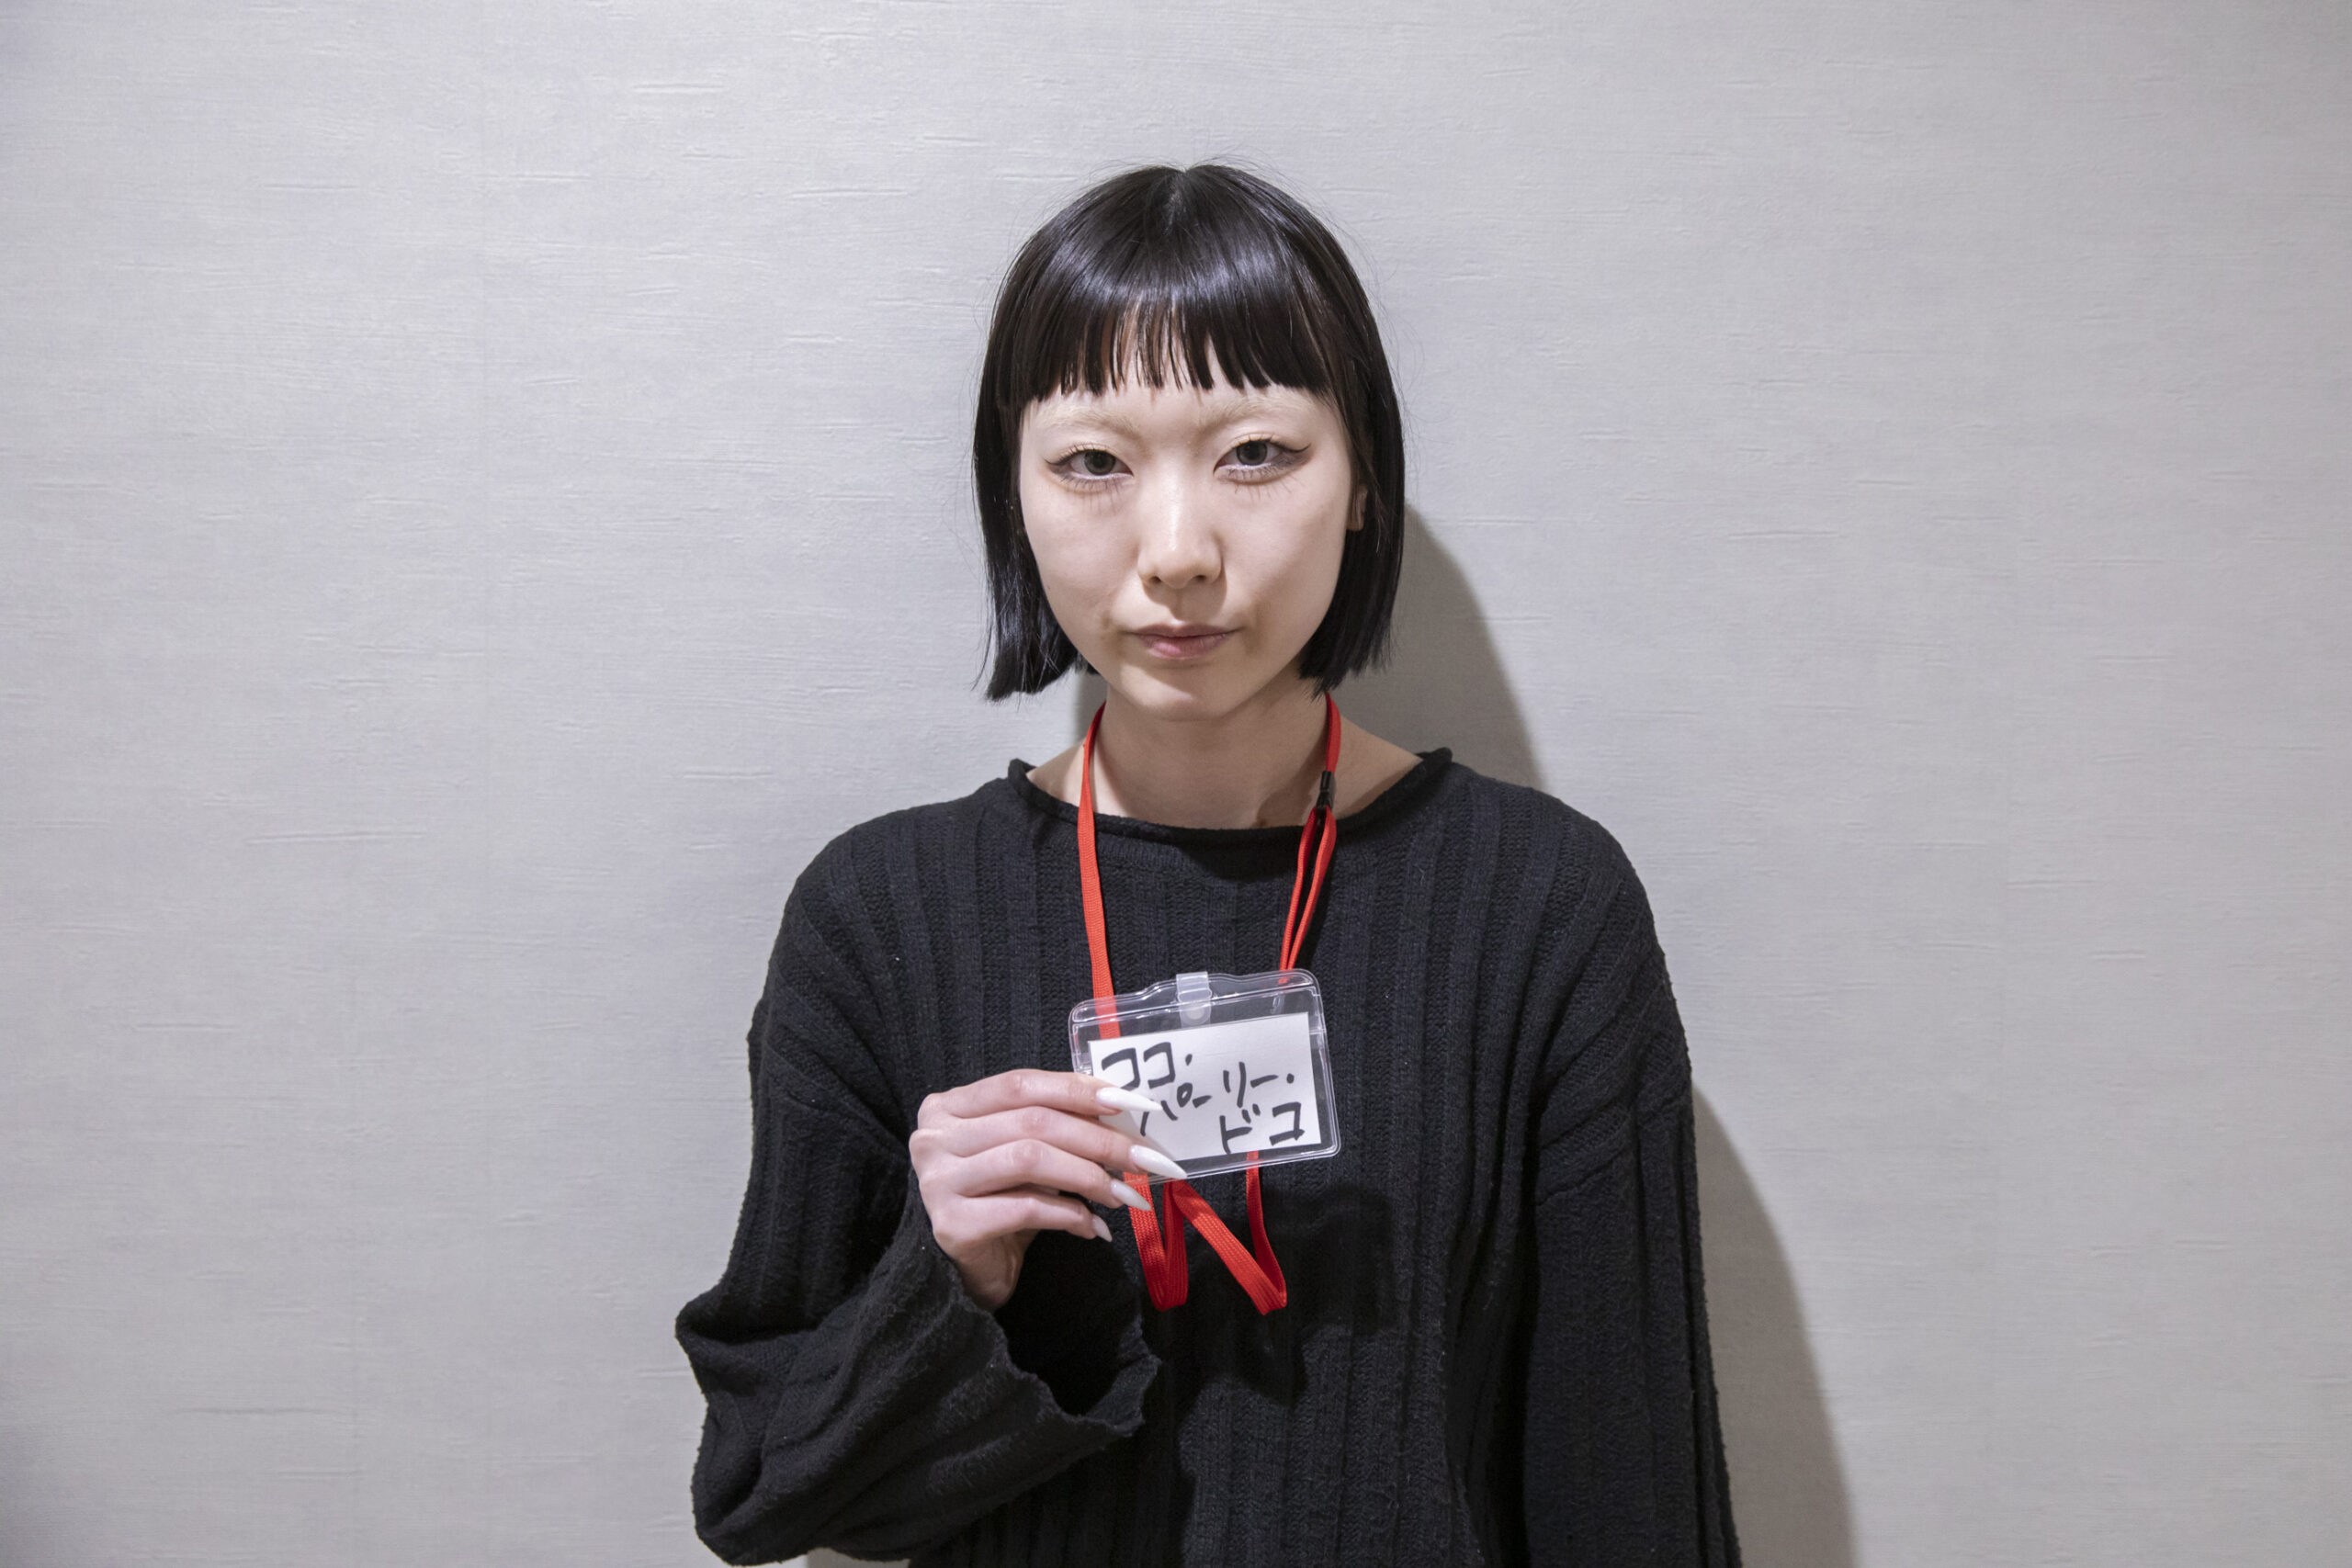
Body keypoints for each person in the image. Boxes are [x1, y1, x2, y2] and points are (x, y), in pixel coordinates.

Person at [675, 163, 1739, 1567]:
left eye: (1255, 454)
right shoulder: (877, 919)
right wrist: (952, 1278)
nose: (1177, 552)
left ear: (1363, 484)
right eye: (1092, 464)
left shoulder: (1542, 908)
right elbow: (761, 1490)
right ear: (1012, 494)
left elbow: (1634, 1500)